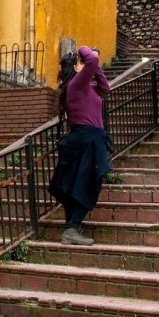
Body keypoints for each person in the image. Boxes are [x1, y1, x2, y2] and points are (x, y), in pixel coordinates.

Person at [49, 45, 112, 245]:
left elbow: (105, 88)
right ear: (76, 68)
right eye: (81, 63)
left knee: (75, 186)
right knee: (89, 184)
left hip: (88, 139)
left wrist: (96, 66)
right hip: (86, 139)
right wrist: (85, 49)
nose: (86, 65)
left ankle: (71, 229)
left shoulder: (86, 89)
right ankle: (72, 229)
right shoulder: (75, 85)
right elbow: (91, 61)